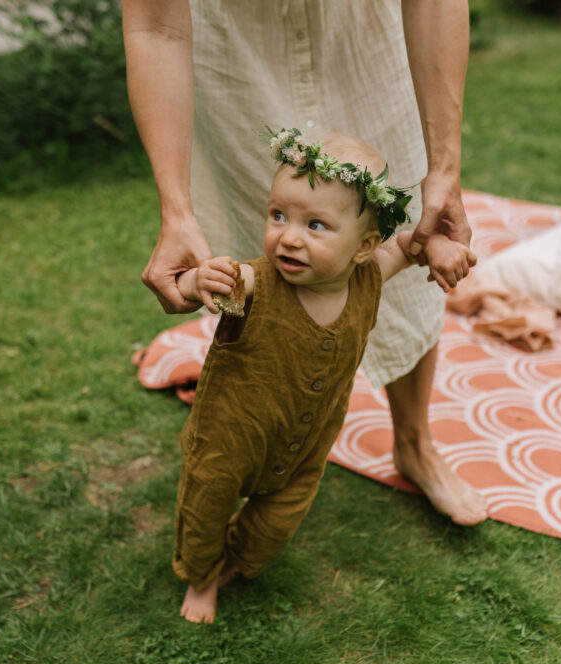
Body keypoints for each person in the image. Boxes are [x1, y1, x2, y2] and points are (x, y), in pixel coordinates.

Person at [123, 0, 489, 527]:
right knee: (278, 257)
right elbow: (155, 24)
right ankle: (261, 444)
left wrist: (445, 170)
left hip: (361, 33)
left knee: (397, 217)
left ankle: (414, 442)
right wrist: (177, 211)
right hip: (236, 50)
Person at [171, 129, 474, 623]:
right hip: (229, 437)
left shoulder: (370, 275)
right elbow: (187, 293)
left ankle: (239, 560)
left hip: (304, 446)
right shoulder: (252, 283)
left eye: (316, 225)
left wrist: (437, 248)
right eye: (278, 216)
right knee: (205, 508)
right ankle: (202, 576)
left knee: (276, 523)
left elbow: (409, 246)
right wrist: (194, 279)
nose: (288, 236)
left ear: (362, 247)